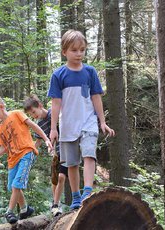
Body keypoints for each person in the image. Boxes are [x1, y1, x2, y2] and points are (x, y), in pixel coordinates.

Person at [47, 29, 115, 210]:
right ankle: (76, 196)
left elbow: (96, 97)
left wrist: (102, 121)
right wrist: (53, 129)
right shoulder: (58, 75)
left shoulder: (90, 72)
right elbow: (55, 103)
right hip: (68, 125)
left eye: (82, 50)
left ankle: (87, 191)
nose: (79, 54)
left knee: (89, 154)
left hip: (88, 122)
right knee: (72, 163)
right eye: (74, 50)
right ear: (64, 52)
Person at [0, 94, 53, 224]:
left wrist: (46, 139)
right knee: (12, 186)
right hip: (12, 159)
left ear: (1, 107)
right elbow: (4, 148)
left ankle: (9, 212)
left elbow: (34, 126)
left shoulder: (16, 114)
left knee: (17, 184)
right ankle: (25, 209)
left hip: (26, 153)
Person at [23, 94, 68, 217]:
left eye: (33, 111)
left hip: (66, 149)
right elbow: (38, 141)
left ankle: (56, 204)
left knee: (61, 177)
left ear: (40, 106)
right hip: (55, 154)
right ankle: (55, 205)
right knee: (54, 180)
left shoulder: (52, 113)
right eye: (31, 114)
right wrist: (29, 153)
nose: (33, 115)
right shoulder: (39, 123)